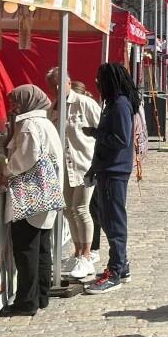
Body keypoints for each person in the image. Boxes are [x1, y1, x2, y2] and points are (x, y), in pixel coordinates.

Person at [2, 85, 64, 317]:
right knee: (41, 249)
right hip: (46, 195)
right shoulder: (46, 122)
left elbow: (28, 157)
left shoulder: (29, 125)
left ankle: (27, 302)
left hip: (31, 196)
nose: (13, 107)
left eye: (16, 102)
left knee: (27, 249)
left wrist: (7, 171)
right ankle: (41, 295)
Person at [84, 63, 138, 295]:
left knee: (113, 219)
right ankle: (121, 263)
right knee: (97, 211)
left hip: (115, 171)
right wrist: (93, 169)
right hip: (105, 169)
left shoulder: (120, 105)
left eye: (99, 78)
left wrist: (97, 133)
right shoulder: (111, 104)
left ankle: (115, 269)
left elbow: (121, 139)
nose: (96, 82)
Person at [45, 68, 102, 282]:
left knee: (81, 208)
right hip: (64, 166)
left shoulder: (85, 104)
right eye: (53, 85)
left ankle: (87, 255)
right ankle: (78, 251)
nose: (57, 89)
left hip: (85, 164)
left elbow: (101, 129)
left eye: (60, 84)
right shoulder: (53, 108)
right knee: (68, 210)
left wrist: (99, 160)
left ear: (69, 81)